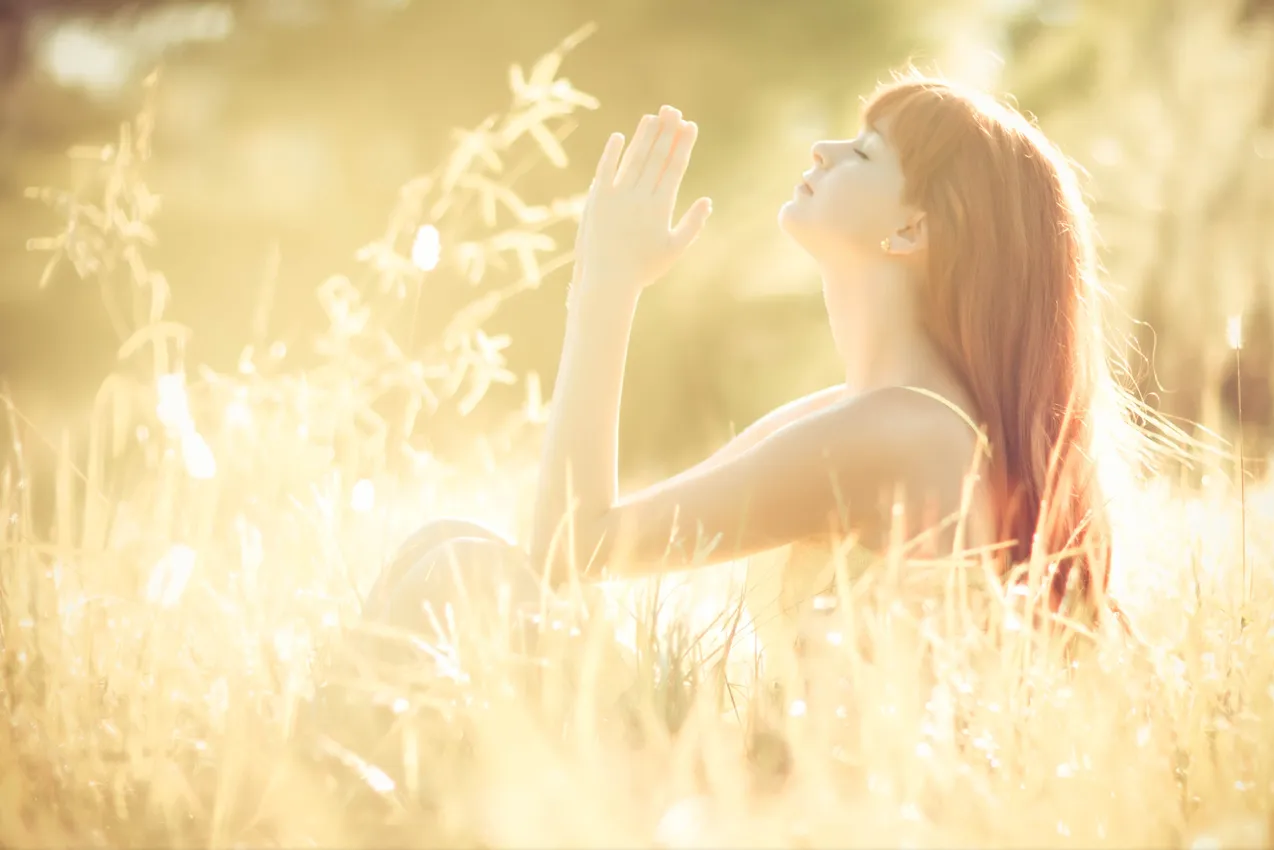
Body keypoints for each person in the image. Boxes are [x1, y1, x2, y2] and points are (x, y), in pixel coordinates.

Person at [361, 70, 1142, 667]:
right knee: (450, 545)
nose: (823, 151)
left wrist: (605, 287)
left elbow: (575, 547)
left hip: (792, 807)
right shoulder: (864, 414)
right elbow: (569, 558)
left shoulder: (900, 431)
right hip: (754, 765)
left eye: (865, 152)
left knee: (462, 569)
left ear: (912, 228)